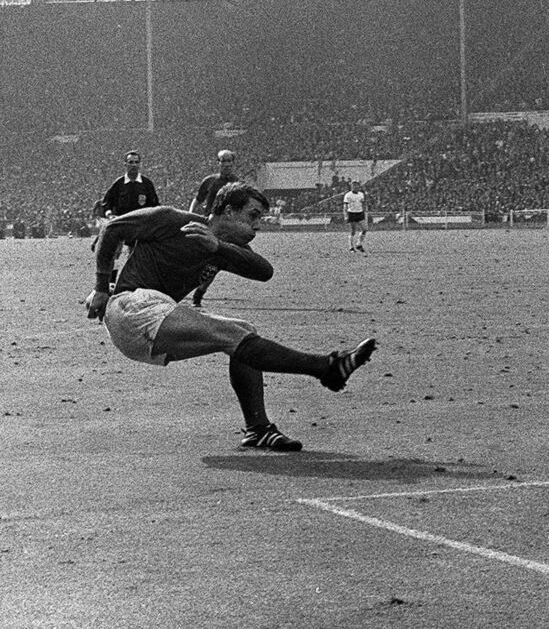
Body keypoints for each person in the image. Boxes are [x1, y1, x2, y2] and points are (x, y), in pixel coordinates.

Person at [85, 182, 378, 452]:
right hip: (131, 306)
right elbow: (113, 229)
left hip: (152, 322)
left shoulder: (221, 248)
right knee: (235, 336)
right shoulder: (175, 220)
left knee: (242, 331)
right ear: (228, 211)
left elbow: (264, 271)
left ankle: (258, 428)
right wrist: (101, 288)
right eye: (252, 215)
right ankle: (326, 367)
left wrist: (218, 248)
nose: (257, 225)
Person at [187, 149, 240, 307]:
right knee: (196, 260)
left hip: (225, 230)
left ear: (233, 163)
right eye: (223, 161)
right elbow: (197, 200)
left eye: (229, 161)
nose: (226, 164)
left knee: (214, 264)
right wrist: (190, 214)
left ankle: (199, 295)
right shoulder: (210, 181)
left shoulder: (237, 184)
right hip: (208, 225)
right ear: (218, 163)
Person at [100, 151, 161, 288]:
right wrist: (110, 215)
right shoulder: (119, 184)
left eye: (136, 162)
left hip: (139, 228)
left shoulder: (146, 184)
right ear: (125, 164)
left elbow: (156, 206)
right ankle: (110, 284)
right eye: (131, 162)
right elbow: (106, 204)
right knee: (114, 255)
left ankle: (133, 284)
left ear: (140, 164)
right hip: (121, 226)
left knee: (135, 257)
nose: (134, 165)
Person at [343, 180, 368, 253]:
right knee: (353, 231)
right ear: (351, 187)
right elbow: (345, 206)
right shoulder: (348, 195)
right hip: (351, 213)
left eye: (357, 186)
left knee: (365, 229)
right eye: (354, 186)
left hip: (359, 213)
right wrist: (346, 216)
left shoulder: (361, 194)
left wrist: (364, 211)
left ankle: (358, 244)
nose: (355, 187)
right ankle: (351, 247)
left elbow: (363, 203)